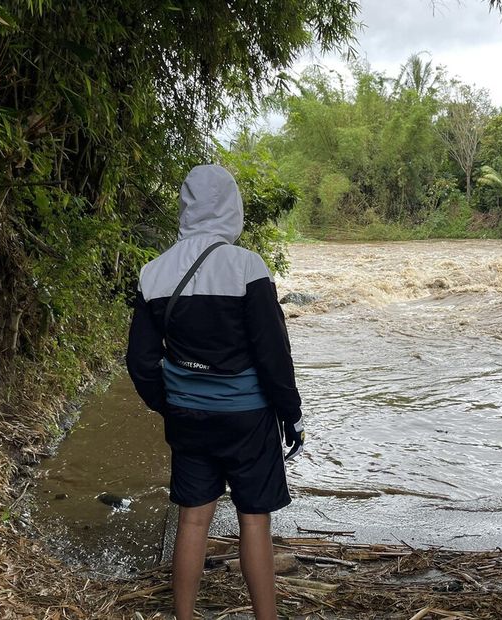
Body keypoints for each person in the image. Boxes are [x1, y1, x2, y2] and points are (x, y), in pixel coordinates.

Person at [126, 164, 304, 620]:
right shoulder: (247, 267)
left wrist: (171, 404)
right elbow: (272, 353)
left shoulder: (153, 273)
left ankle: (183, 617)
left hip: (188, 418)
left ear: (185, 208)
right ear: (231, 207)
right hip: (248, 419)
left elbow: (141, 362)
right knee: (254, 522)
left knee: (192, 520)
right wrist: (291, 412)